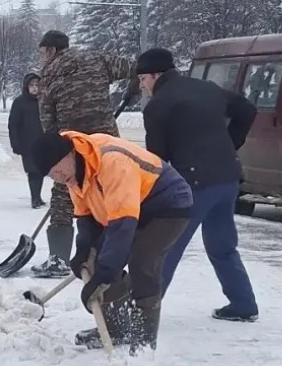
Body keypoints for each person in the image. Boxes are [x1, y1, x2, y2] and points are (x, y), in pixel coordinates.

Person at [29, 130, 192, 350]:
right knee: (97, 261)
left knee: (142, 264)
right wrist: (84, 252)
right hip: (129, 208)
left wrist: (106, 273)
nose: (57, 176)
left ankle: (143, 344)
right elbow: (87, 220)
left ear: (69, 153)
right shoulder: (72, 174)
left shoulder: (111, 162)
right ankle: (117, 330)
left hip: (167, 203)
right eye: (51, 174)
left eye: (56, 167)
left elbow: (122, 226)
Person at [135, 48, 261, 322]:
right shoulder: (207, 88)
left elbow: (157, 161)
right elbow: (247, 110)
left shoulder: (158, 106)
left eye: (143, 79)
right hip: (228, 177)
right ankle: (243, 304)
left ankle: (142, 315)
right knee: (222, 244)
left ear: (156, 75)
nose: (142, 86)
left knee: (165, 247)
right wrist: (230, 144)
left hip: (193, 184)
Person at [34, 30, 137, 278]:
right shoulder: (97, 58)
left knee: (63, 194)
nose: (42, 58)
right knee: (111, 192)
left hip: (70, 147)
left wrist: (54, 148)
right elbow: (136, 67)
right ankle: (112, 252)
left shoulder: (48, 75)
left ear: (51, 50)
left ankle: (58, 258)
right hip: (107, 145)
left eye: (42, 52)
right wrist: (131, 92)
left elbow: (48, 122)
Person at [7, 72, 46, 208]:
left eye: (37, 85)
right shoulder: (20, 102)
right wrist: (15, 143)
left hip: (43, 142)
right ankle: (35, 198)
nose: (35, 88)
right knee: (33, 170)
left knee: (41, 170)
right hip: (27, 143)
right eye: (32, 85)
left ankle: (38, 197)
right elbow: (13, 124)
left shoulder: (44, 100)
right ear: (26, 87)